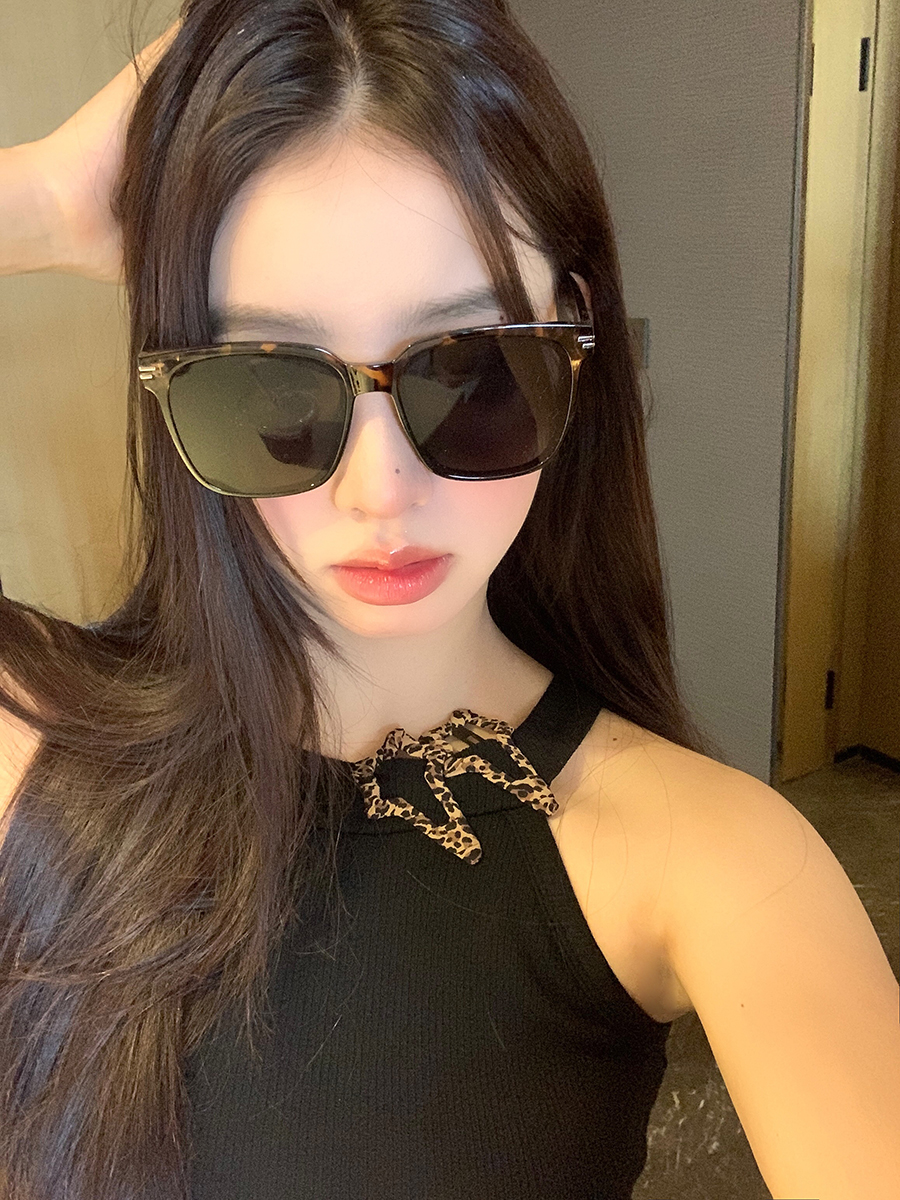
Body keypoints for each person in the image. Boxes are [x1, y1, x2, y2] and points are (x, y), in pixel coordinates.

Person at [0, 3, 897, 1198]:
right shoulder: (34, 739)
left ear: (572, 338)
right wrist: (37, 202)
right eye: (270, 386)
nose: (380, 491)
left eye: (472, 374)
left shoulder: (712, 861)